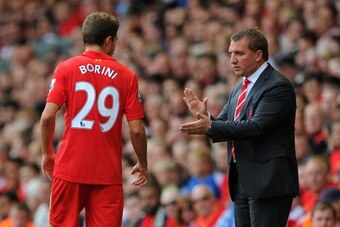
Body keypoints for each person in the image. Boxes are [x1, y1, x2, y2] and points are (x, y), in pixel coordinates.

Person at [179, 28, 299, 226]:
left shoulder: (278, 86)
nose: (232, 60)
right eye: (231, 54)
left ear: (258, 55)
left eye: (239, 53)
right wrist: (205, 117)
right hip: (242, 181)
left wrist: (211, 126)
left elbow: (256, 127)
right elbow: (225, 124)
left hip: (268, 182)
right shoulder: (240, 87)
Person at [40, 12, 149, 226]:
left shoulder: (66, 68)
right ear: (108, 40)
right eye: (115, 40)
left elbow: (47, 117)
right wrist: (143, 162)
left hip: (70, 167)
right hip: (107, 173)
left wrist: (47, 153)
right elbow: (136, 130)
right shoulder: (127, 76)